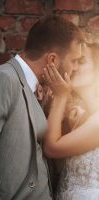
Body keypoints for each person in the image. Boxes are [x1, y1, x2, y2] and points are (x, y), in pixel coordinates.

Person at [0, 15, 84, 200]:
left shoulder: (36, 88)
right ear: (52, 60)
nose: (76, 67)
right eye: (74, 60)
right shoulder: (2, 79)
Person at [43, 43, 99, 199]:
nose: (74, 68)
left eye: (81, 62)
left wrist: (61, 96)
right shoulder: (80, 117)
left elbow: (51, 148)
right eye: (74, 62)